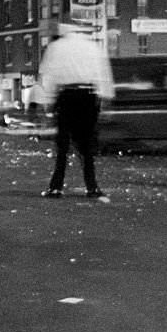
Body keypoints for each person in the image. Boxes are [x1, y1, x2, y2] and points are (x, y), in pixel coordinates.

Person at [37, 22, 114, 199]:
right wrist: (106, 99)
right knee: (87, 145)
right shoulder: (93, 47)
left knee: (62, 145)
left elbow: (48, 75)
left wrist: (47, 101)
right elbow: (103, 74)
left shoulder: (56, 48)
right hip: (88, 96)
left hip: (66, 96)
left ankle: (56, 187)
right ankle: (92, 186)